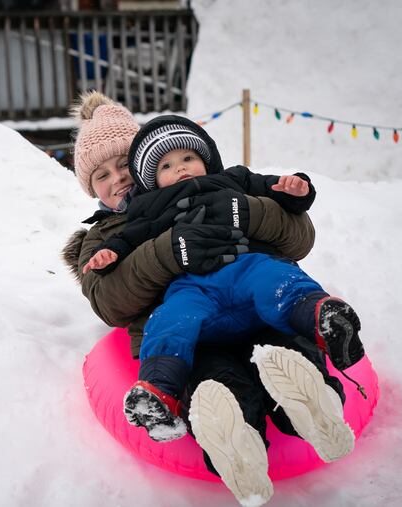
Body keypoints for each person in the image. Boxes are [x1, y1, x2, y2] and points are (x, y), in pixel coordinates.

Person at [62, 91, 354, 506]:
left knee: (290, 351)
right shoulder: (103, 238)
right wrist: (168, 250)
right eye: (101, 176)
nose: (118, 180)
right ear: (89, 188)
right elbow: (110, 303)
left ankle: (314, 408)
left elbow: (298, 238)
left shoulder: (215, 189)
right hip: (193, 337)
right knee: (217, 387)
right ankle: (237, 444)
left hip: (259, 304)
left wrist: (243, 212)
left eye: (123, 165)